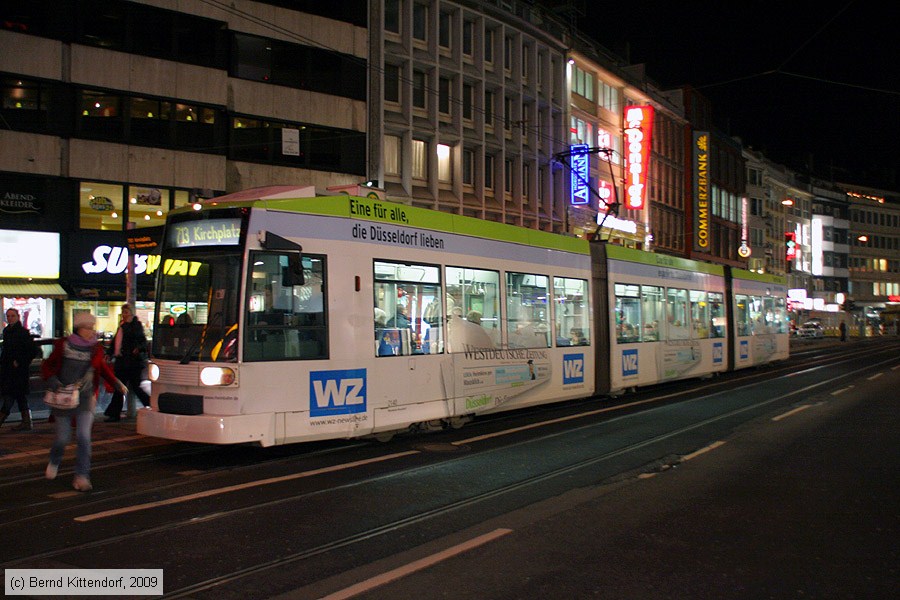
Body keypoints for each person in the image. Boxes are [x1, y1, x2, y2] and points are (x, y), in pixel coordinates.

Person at [42, 311, 127, 491]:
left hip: (85, 398)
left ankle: (82, 476)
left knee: (83, 436)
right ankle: (55, 459)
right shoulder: (64, 345)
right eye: (87, 327)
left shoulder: (95, 348)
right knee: (62, 438)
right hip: (63, 398)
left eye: (92, 327)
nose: (91, 331)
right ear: (78, 328)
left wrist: (116, 383)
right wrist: (53, 381)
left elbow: (102, 367)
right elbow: (48, 365)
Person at [104, 304, 150, 422]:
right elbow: (116, 343)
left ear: (131, 313)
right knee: (121, 387)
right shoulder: (123, 326)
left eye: (126, 312)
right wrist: (110, 353)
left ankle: (150, 404)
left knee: (133, 387)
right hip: (124, 361)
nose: (124, 315)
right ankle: (114, 413)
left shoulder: (134, 326)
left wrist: (137, 349)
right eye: (123, 312)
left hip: (132, 362)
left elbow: (141, 341)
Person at [1, 308, 38, 430]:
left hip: (18, 371)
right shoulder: (7, 331)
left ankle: (24, 421)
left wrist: (20, 361)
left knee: (11, 395)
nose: (10, 318)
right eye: (8, 316)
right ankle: (26, 421)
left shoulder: (22, 332)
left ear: (18, 317)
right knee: (18, 396)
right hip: (9, 369)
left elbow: (32, 351)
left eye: (12, 316)